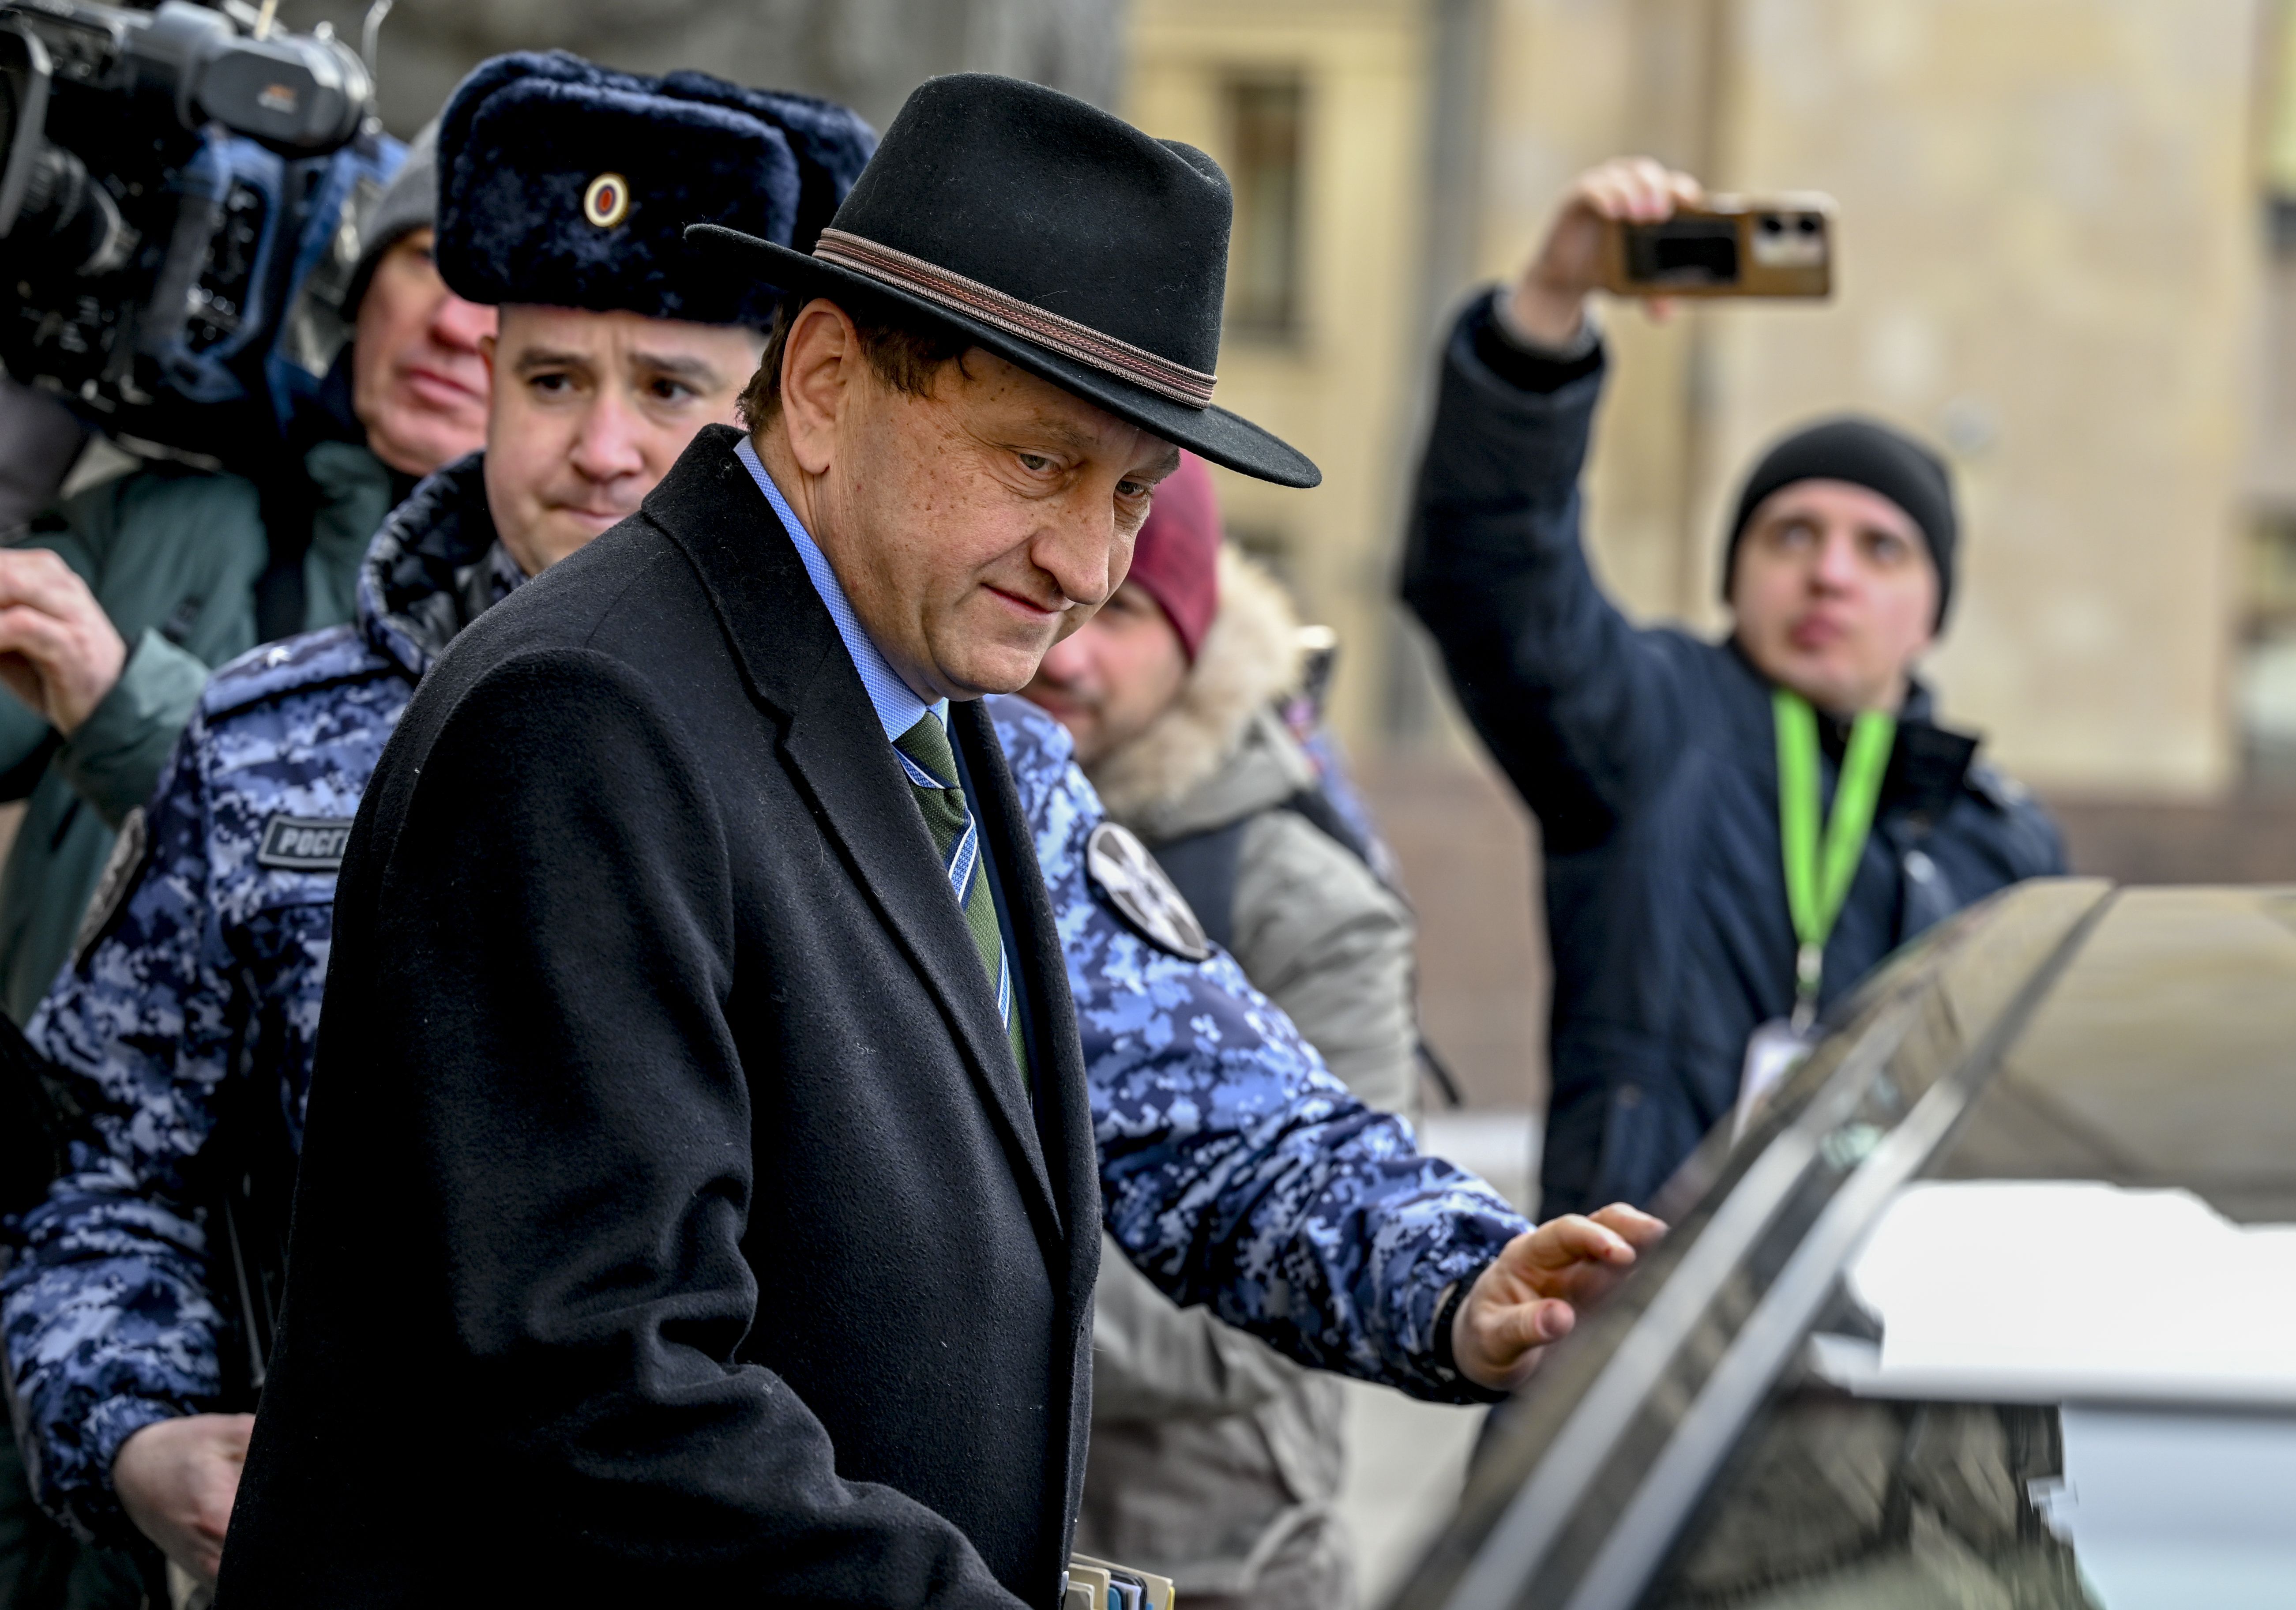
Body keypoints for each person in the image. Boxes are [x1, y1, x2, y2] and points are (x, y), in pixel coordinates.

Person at [213, 75, 1661, 1606]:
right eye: (1038, 463)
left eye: (1132, 492)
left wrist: (1467, 1278)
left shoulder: (938, 705)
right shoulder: (587, 719)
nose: (1088, 562)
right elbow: (599, 1391)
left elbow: (1208, 1107)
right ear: (826, 382)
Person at [0, 57, 879, 1599]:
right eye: (552, 381)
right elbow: (100, 1163)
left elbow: (1197, 1121)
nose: (602, 447)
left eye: (671, 390)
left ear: (789, 407)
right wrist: (134, 1431)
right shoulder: (263, 738)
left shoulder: (917, 763)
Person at [1401, 156, 2066, 1225]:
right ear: (1734, 577)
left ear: (1933, 613)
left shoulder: (2005, 844)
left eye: (1881, 548)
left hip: (1884, 1303)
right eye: (1792, 535)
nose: (1830, 573)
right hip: (1644, 1296)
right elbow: (1494, 579)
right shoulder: (1653, 723)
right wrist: (1550, 307)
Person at [0, 124, 494, 1025]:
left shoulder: (558, 633)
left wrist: (123, 708)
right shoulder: (158, 517)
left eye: (503, 290)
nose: (455, 325)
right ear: (359, 288)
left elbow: (419, 923)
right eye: (428, 258)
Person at [1029, 455, 1414, 1610]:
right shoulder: (923, 806)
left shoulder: (1306, 903)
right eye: (1058, 602)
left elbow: (1313, 1266)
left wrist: (954, 1304)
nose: (1071, 651)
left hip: (1207, 1562)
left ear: (1199, 639)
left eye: (1125, 613)